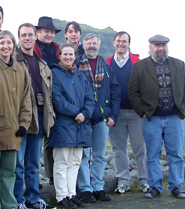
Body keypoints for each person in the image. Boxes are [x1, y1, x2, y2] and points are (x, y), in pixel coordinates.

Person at [128, 34, 185, 199]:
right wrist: (142, 111)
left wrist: (183, 109)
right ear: (150, 46)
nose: (161, 48)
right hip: (151, 118)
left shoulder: (179, 65)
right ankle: (155, 187)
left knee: (175, 154)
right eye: (157, 45)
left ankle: (176, 186)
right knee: (152, 154)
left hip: (175, 117)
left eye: (163, 45)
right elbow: (133, 92)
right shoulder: (139, 67)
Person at [0, 30, 32, 209]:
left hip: (14, 131)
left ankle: (9, 205)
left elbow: (27, 99)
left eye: (9, 43)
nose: (6, 46)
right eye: (2, 43)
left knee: (9, 173)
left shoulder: (21, 69)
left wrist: (24, 124)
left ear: (14, 45)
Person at [14, 23, 56, 209]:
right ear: (19, 37)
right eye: (23, 35)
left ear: (35, 36)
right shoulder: (13, 60)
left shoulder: (42, 63)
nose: (27, 38)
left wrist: (51, 116)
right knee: (17, 164)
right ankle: (17, 200)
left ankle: (33, 197)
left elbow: (50, 93)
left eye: (30, 34)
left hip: (39, 117)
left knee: (33, 163)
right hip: (20, 119)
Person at [50, 43, 95, 208]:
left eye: (71, 54)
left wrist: (85, 113)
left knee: (75, 162)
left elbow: (90, 98)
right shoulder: (54, 73)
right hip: (63, 125)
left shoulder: (80, 76)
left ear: (75, 56)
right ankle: (62, 196)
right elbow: (57, 99)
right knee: (62, 161)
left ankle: (71, 194)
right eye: (65, 54)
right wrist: (77, 112)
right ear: (60, 56)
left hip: (81, 125)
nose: (68, 57)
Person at [77, 33, 120, 203]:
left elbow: (116, 92)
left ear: (99, 45)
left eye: (94, 43)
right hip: (84, 118)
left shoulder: (107, 67)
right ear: (83, 45)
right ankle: (86, 189)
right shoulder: (76, 65)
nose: (92, 46)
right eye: (89, 43)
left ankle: (98, 187)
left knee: (100, 155)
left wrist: (113, 115)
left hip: (102, 118)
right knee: (84, 156)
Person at [106, 31, 149, 194]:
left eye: (124, 41)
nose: (121, 44)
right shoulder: (108, 63)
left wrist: (145, 109)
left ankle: (144, 180)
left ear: (129, 44)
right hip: (116, 114)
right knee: (118, 149)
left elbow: (146, 86)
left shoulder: (137, 62)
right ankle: (123, 181)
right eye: (118, 41)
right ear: (114, 43)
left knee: (140, 148)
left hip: (136, 113)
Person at [34, 16, 60, 185]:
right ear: (38, 33)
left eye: (51, 32)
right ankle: (39, 177)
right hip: (38, 98)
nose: (49, 34)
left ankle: (53, 176)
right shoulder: (32, 49)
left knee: (54, 137)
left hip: (56, 97)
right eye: (46, 31)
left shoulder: (57, 50)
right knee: (38, 139)